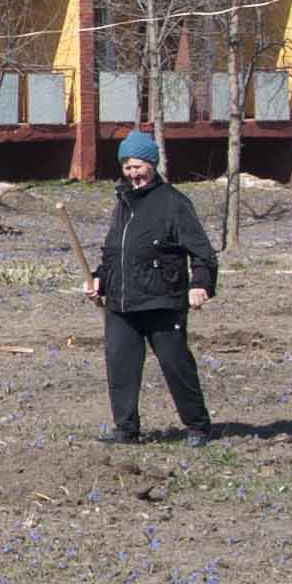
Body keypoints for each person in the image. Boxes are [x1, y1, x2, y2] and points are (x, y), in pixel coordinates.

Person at [84, 131, 216, 445]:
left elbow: (202, 252)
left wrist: (200, 284)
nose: (133, 174)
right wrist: (99, 279)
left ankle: (198, 426)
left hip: (162, 301)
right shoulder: (123, 201)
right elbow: (114, 251)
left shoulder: (174, 203)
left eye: (138, 167)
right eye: (127, 167)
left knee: (175, 364)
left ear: (152, 165)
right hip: (122, 302)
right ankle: (125, 429)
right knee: (120, 365)